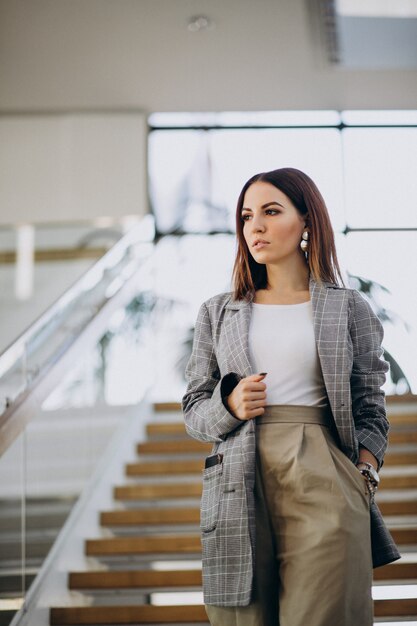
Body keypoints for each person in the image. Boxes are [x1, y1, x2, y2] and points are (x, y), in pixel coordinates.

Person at [181, 167, 400, 626]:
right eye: (246, 216)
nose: (254, 227)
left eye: (271, 211)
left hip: (325, 477)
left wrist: (363, 474)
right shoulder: (218, 312)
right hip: (238, 482)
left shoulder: (349, 307)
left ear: (306, 221)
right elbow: (193, 411)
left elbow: (370, 408)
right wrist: (229, 406)